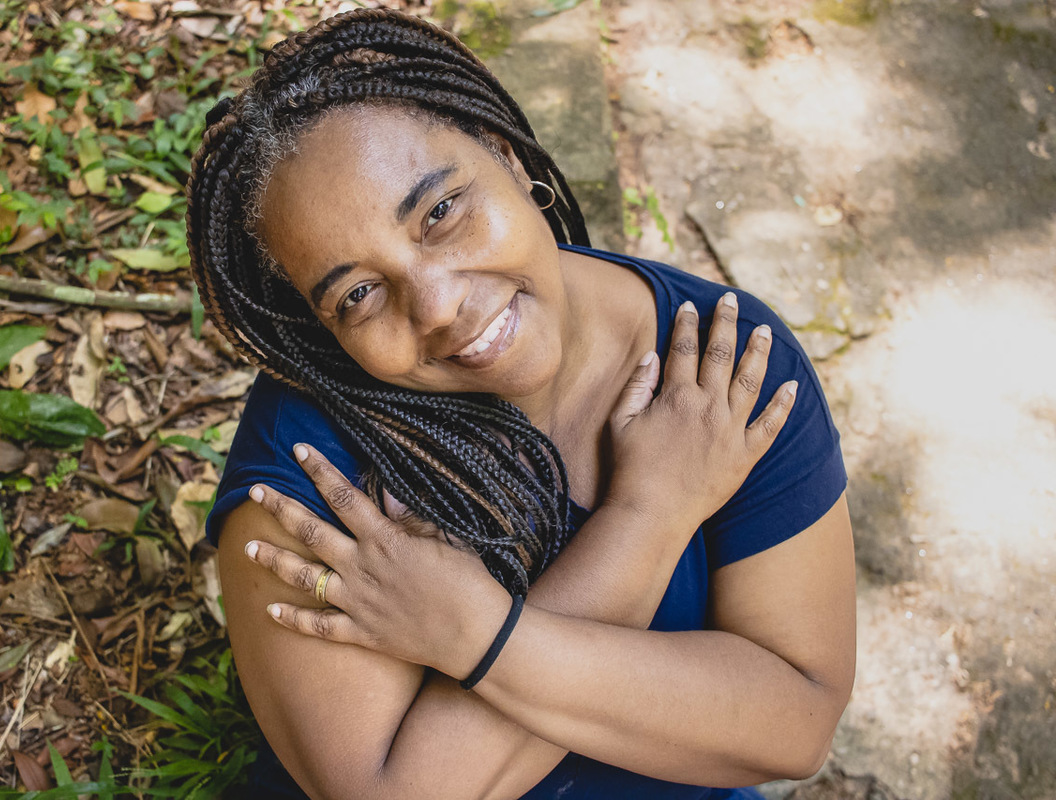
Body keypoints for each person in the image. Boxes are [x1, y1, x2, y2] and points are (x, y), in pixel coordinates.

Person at [187, 8, 855, 799]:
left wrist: (470, 633)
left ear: (505, 155)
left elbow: (795, 721)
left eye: (440, 212)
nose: (436, 305)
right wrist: (650, 516)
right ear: (320, 327)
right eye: (360, 293)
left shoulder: (721, 369)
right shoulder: (306, 477)